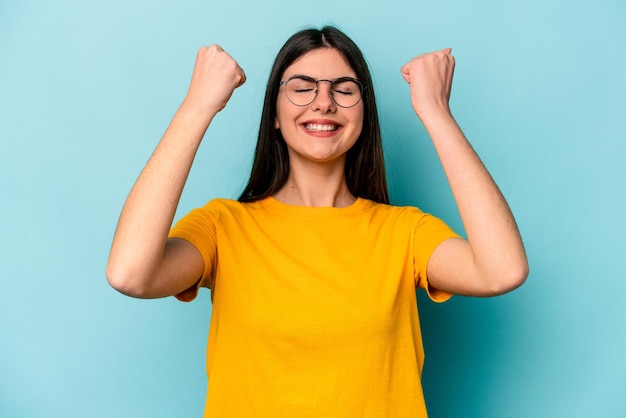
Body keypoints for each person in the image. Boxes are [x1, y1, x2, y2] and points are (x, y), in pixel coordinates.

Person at [106, 26, 528, 417]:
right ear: (273, 113)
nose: (323, 102)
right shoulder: (223, 226)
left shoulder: (404, 232)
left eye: (344, 90)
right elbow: (130, 275)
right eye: (302, 87)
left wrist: (436, 111)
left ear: (364, 116)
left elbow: (502, 271)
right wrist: (198, 104)